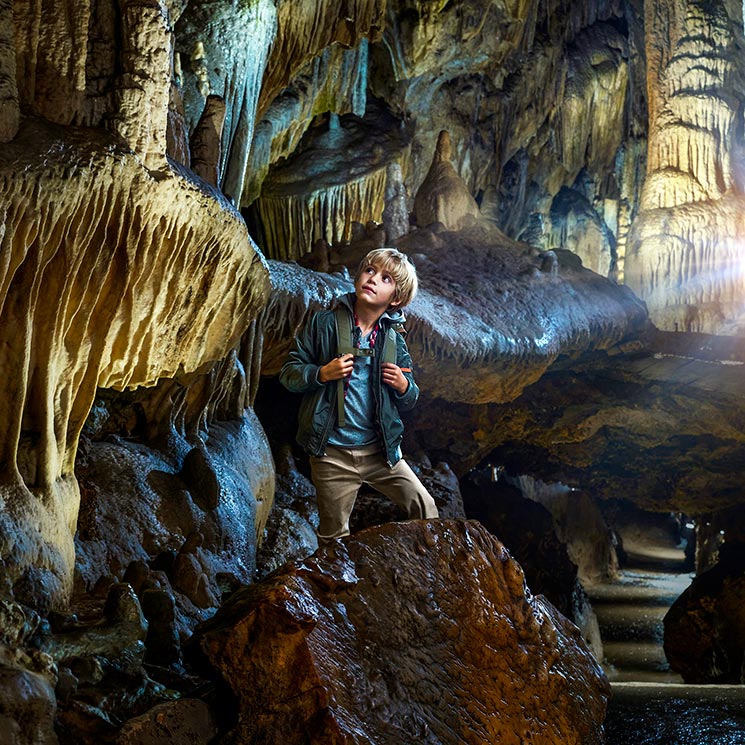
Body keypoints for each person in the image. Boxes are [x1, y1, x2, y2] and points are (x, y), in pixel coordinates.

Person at [279, 247, 439, 545]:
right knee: (333, 538)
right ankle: (337, 590)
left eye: (386, 278)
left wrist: (403, 386)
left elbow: (411, 397)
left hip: (381, 453)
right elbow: (289, 373)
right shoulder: (324, 324)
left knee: (425, 507)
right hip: (332, 454)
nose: (373, 279)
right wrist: (320, 374)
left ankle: (429, 576)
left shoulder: (393, 339)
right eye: (369, 270)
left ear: (396, 299)